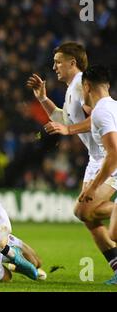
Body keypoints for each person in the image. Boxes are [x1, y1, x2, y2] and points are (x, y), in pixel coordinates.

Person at [27, 42, 117, 282]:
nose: (54, 66)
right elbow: (62, 118)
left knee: (86, 210)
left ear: (72, 63)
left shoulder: (81, 85)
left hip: (107, 156)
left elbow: (96, 117)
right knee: (85, 215)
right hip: (95, 157)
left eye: (58, 61)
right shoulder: (71, 90)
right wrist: (43, 98)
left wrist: (68, 130)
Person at [79, 65, 117, 285]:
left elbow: (113, 155)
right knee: (83, 211)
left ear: (86, 86)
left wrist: (93, 187)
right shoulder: (111, 107)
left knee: (113, 234)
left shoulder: (102, 112)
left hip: (114, 167)